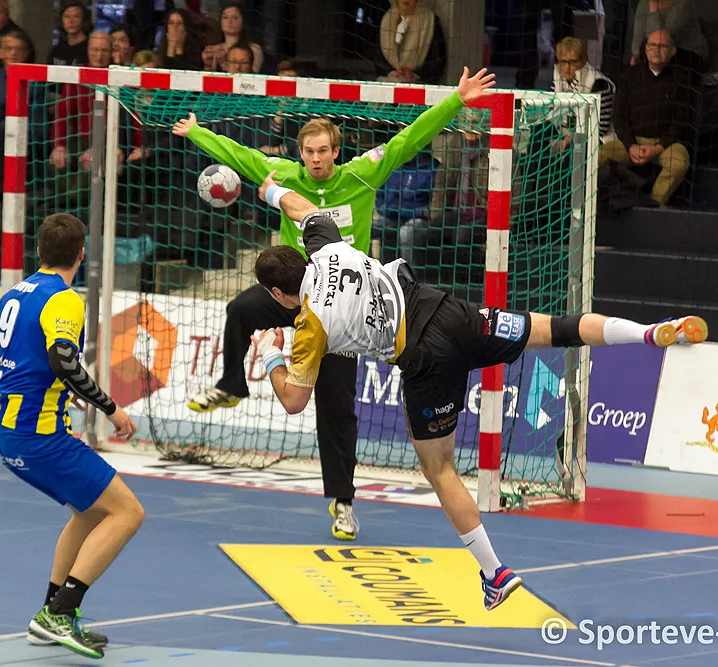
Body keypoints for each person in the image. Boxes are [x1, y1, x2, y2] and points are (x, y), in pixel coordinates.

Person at [250, 175, 709, 610]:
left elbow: (294, 400)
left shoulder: (309, 326)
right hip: (449, 312)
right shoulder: (327, 247)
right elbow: (302, 206)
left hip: (425, 364)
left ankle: (495, 573)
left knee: (441, 469)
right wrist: (271, 190)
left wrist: (271, 355)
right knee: (556, 329)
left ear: (277, 293)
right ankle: (647, 332)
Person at [171, 65, 498, 541]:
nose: (315, 159)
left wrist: (455, 101)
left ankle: (343, 502)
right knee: (240, 309)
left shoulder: (362, 175)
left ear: (336, 152)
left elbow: (409, 139)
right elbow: (240, 155)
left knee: (337, 408)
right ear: (299, 153)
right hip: (294, 296)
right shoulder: (286, 175)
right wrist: (199, 132)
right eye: (308, 151)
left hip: (344, 312)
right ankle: (232, 384)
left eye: (323, 151)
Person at [0, 213, 144, 659]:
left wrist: (51, 390)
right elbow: (63, 361)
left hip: (4, 430)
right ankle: (60, 614)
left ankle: (50, 613)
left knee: (89, 512)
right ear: (82, 254)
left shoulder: (14, 294)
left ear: (38, 251)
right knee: (128, 512)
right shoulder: (64, 299)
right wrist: (110, 408)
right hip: (38, 435)